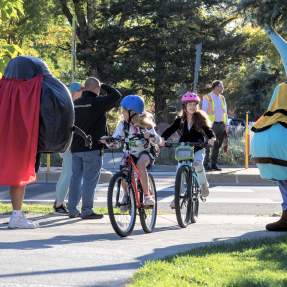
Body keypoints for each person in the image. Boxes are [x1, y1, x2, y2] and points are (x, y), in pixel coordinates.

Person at [68, 77, 122, 219]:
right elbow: (117, 95)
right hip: (92, 149)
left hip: (75, 148)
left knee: (75, 178)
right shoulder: (98, 102)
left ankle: (72, 210)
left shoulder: (75, 104)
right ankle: (86, 210)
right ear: (96, 89)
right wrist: (104, 85)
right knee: (89, 180)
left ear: (84, 88)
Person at [100, 95, 162, 206]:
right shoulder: (123, 124)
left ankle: (147, 197)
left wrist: (151, 136)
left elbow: (157, 139)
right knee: (123, 168)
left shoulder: (146, 125)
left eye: (124, 111)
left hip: (145, 153)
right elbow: (117, 141)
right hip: (130, 153)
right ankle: (126, 196)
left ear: (132, 112)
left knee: (140, 163)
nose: (122, 113)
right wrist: (108, 141)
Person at [160, 93, 216, 208]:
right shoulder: (180, 120)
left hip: (198, 147)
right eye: (190, 104)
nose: (192, 106)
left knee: (197, 163)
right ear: (184, 106)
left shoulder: (200, 118)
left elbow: (208, 130)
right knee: (180, 170)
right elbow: (169, 130)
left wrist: (212, 138)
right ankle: (177, 197)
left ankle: (204, 184)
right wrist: (162, 138)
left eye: (195, 104)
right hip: (184, 148)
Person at [53, 82, 84, 215]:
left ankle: (58, 203)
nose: (83, 93)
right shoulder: (73, 106)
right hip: (69, 146)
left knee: (65, 174)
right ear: (76, 92)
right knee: (69, 175)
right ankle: (59, 205)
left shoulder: (67, 105)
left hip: (64, 145)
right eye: (82, 91)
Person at [201, 80, 229, 171]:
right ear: (216, 87)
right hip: (210, 126)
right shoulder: (207, 98)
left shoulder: (222, 98)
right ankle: (205, 164)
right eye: (221, 86)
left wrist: (226, 124)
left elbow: (225, 112)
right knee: (208, 145)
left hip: (221, 125)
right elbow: (204, 113)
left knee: (218, 145)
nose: (223, 88)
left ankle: (214, 164)